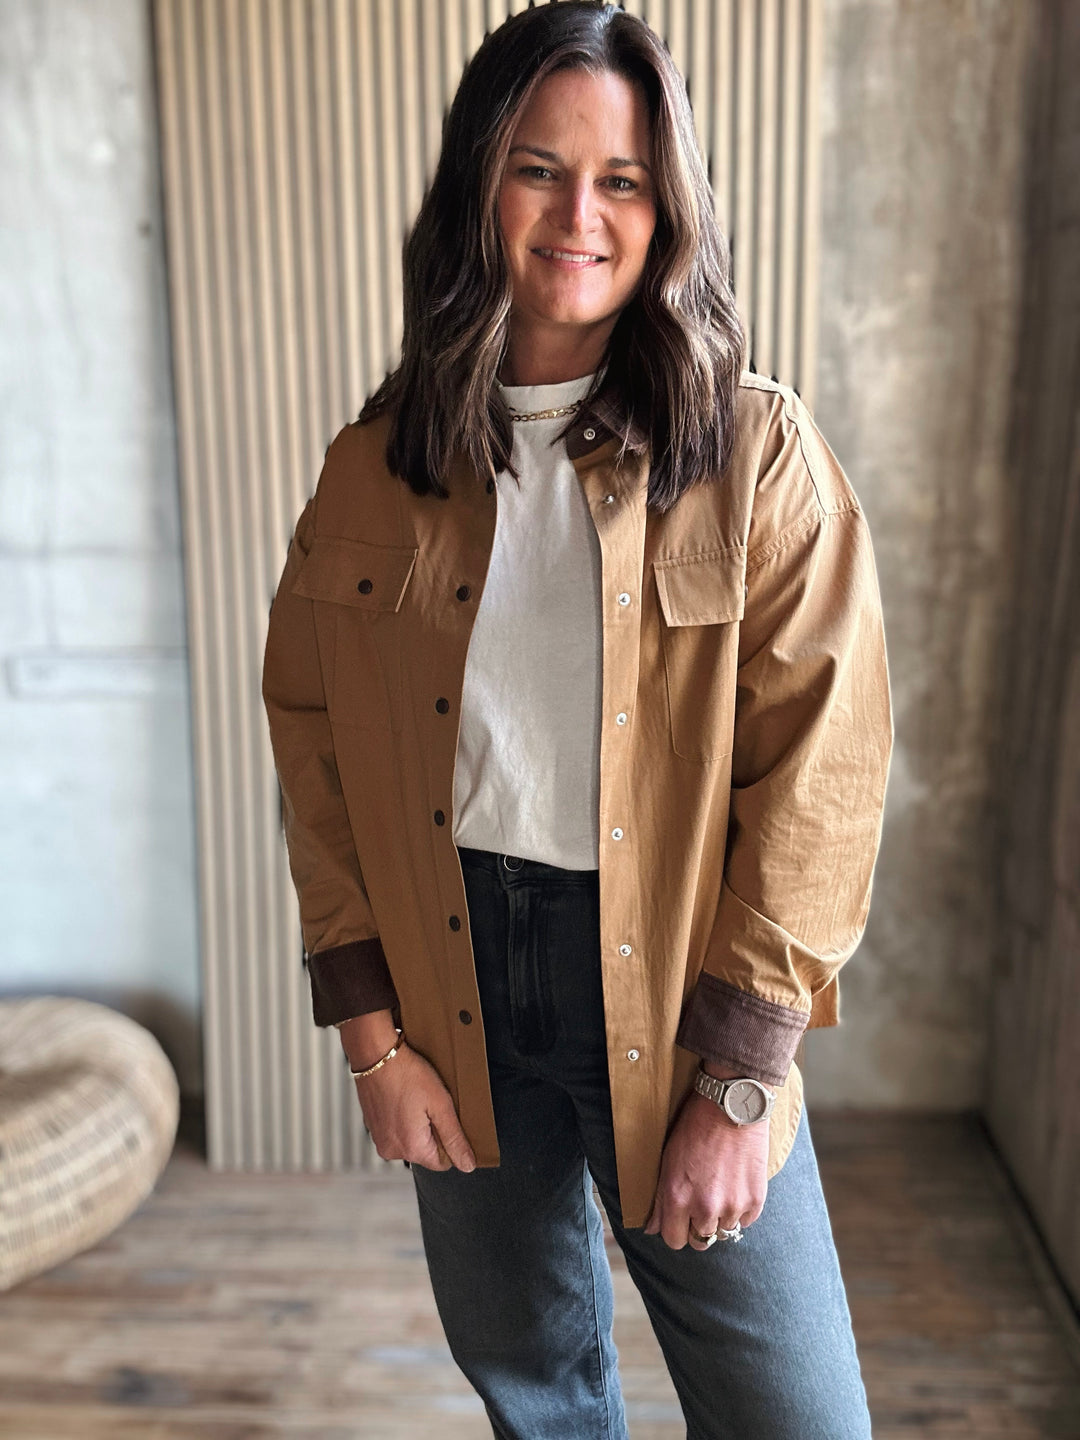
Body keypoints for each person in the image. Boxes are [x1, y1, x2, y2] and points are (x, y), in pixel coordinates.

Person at [261, 3, 893, 1436]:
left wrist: (742, 1081)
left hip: (677, 985)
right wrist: (374, 1039)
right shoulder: (374, 464)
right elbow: (315, 745)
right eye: (539, 169)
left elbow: (825, 774)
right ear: (480, 183)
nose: (578, 216)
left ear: (668, 209)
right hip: (455, 982)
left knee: (798, 1417)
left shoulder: (754, 453)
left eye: (622, 179)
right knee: (535, 1399)